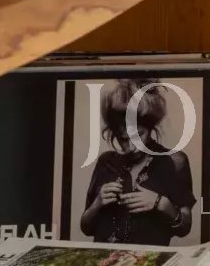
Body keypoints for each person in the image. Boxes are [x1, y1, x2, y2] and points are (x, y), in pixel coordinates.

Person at [79, 81, 196, 246]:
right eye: (123, 139)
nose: (132, 147)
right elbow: (86, 228)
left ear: (151, 127)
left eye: (139, 135)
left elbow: (184, 228)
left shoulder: (174, 161)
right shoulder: (106, 162)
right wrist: (97, 204)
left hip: (147, 260)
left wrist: (161, 203)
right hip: (104, 259)